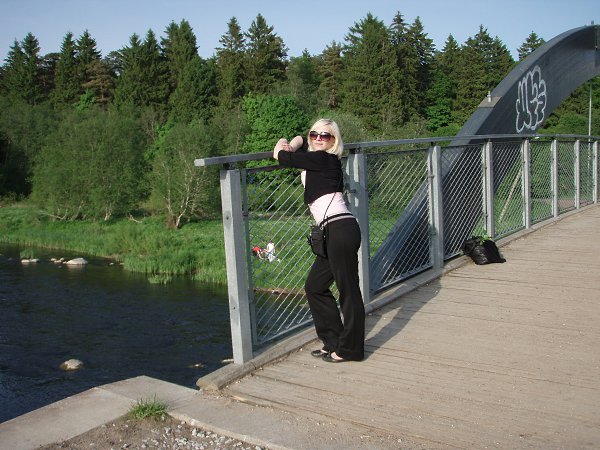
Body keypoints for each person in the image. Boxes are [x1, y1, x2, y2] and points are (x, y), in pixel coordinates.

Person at [273, 118, 365, 362]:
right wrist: (297, 142)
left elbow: (280, 156)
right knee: (315, 286)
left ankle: (351, 350)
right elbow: (299, 141)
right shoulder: (315, 157)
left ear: (335, 140)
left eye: (325, 136)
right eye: (315, 134)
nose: (318, 139)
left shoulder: (324, 159)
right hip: (332, 232)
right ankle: (333, 341)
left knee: (348, 291)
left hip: (340, 231)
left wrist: (284, 144)